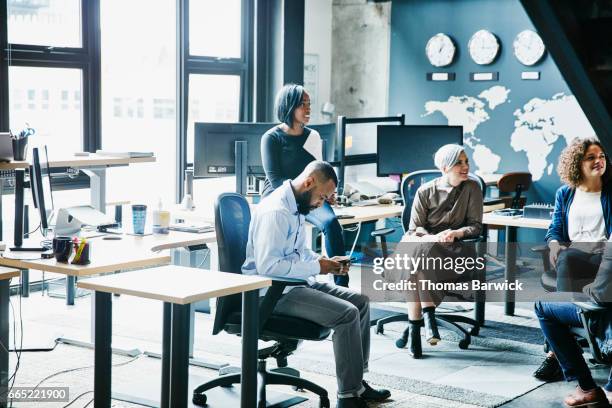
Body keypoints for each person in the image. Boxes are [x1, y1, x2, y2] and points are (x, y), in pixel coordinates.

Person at [242, 161, 391, 408]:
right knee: (346, 314)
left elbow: (299, 252)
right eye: (322, 197)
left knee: (361, 302)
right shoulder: (276, 211)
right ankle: (347, 397)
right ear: (309, 183)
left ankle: (358, 382)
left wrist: (325, 262)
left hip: (295, 283)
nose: (322, 204)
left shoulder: (296, 207)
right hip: (273, 292)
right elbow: (269, 266)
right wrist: (317, 267)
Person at [535, 138, 612, 383]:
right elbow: (555, 228)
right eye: (591, 157)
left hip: (606, 260)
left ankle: (556, 353)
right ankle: (562, 350)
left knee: (568, 259)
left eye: (601, 156)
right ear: (577, 163)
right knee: (566, 255)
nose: (599, 161)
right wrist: (554, 244)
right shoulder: (566, 193)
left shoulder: (610, 190)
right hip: (578, 258)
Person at [261, 84, 349, 287]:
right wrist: (301, 196)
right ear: (289, 106)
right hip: (280, 195)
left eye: (309, 104)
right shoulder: (271, 138)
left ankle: (342, 282)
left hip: (311, 193)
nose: (308, 109)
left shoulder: (313, 136)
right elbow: (275, 179)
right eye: (303, 104)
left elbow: (320, 171)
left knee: (331, 223)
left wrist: (328, 193)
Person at [398, 144, 483, 358]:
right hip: (425, 249)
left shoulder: (472, 188)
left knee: (415, 262)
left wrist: (456, 233)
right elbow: (414, 229)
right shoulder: (425, 191)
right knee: (420, 257)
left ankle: (416, 330)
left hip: (456, 253)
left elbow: (475, 226)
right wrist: (432, 238)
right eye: (458, 163)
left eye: (466, 162)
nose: (465, 167)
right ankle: (426, 319)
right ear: (445, 168)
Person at [533, 238, 612, 407]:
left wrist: (586, 289)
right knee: (568, 259)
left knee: (542, 305)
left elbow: (600, 295)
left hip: (604, 320)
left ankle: (586, 387)